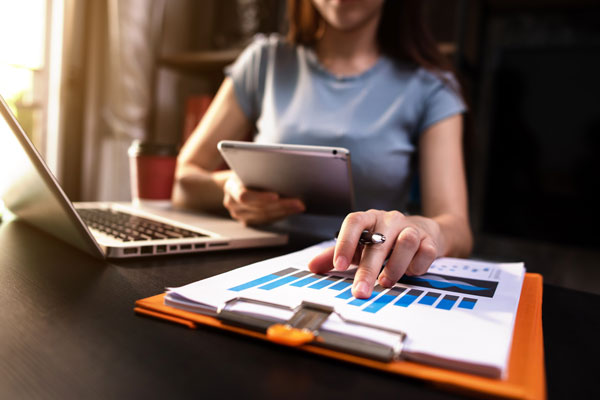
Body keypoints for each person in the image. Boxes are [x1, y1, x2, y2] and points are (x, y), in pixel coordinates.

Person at [173, 0, 473, 299]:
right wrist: (232, 187)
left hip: (361, 280)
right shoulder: (265, 60)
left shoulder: (431, 86)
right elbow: (183, 181)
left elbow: (457, 228)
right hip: (252, 271)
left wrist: (417, 229)